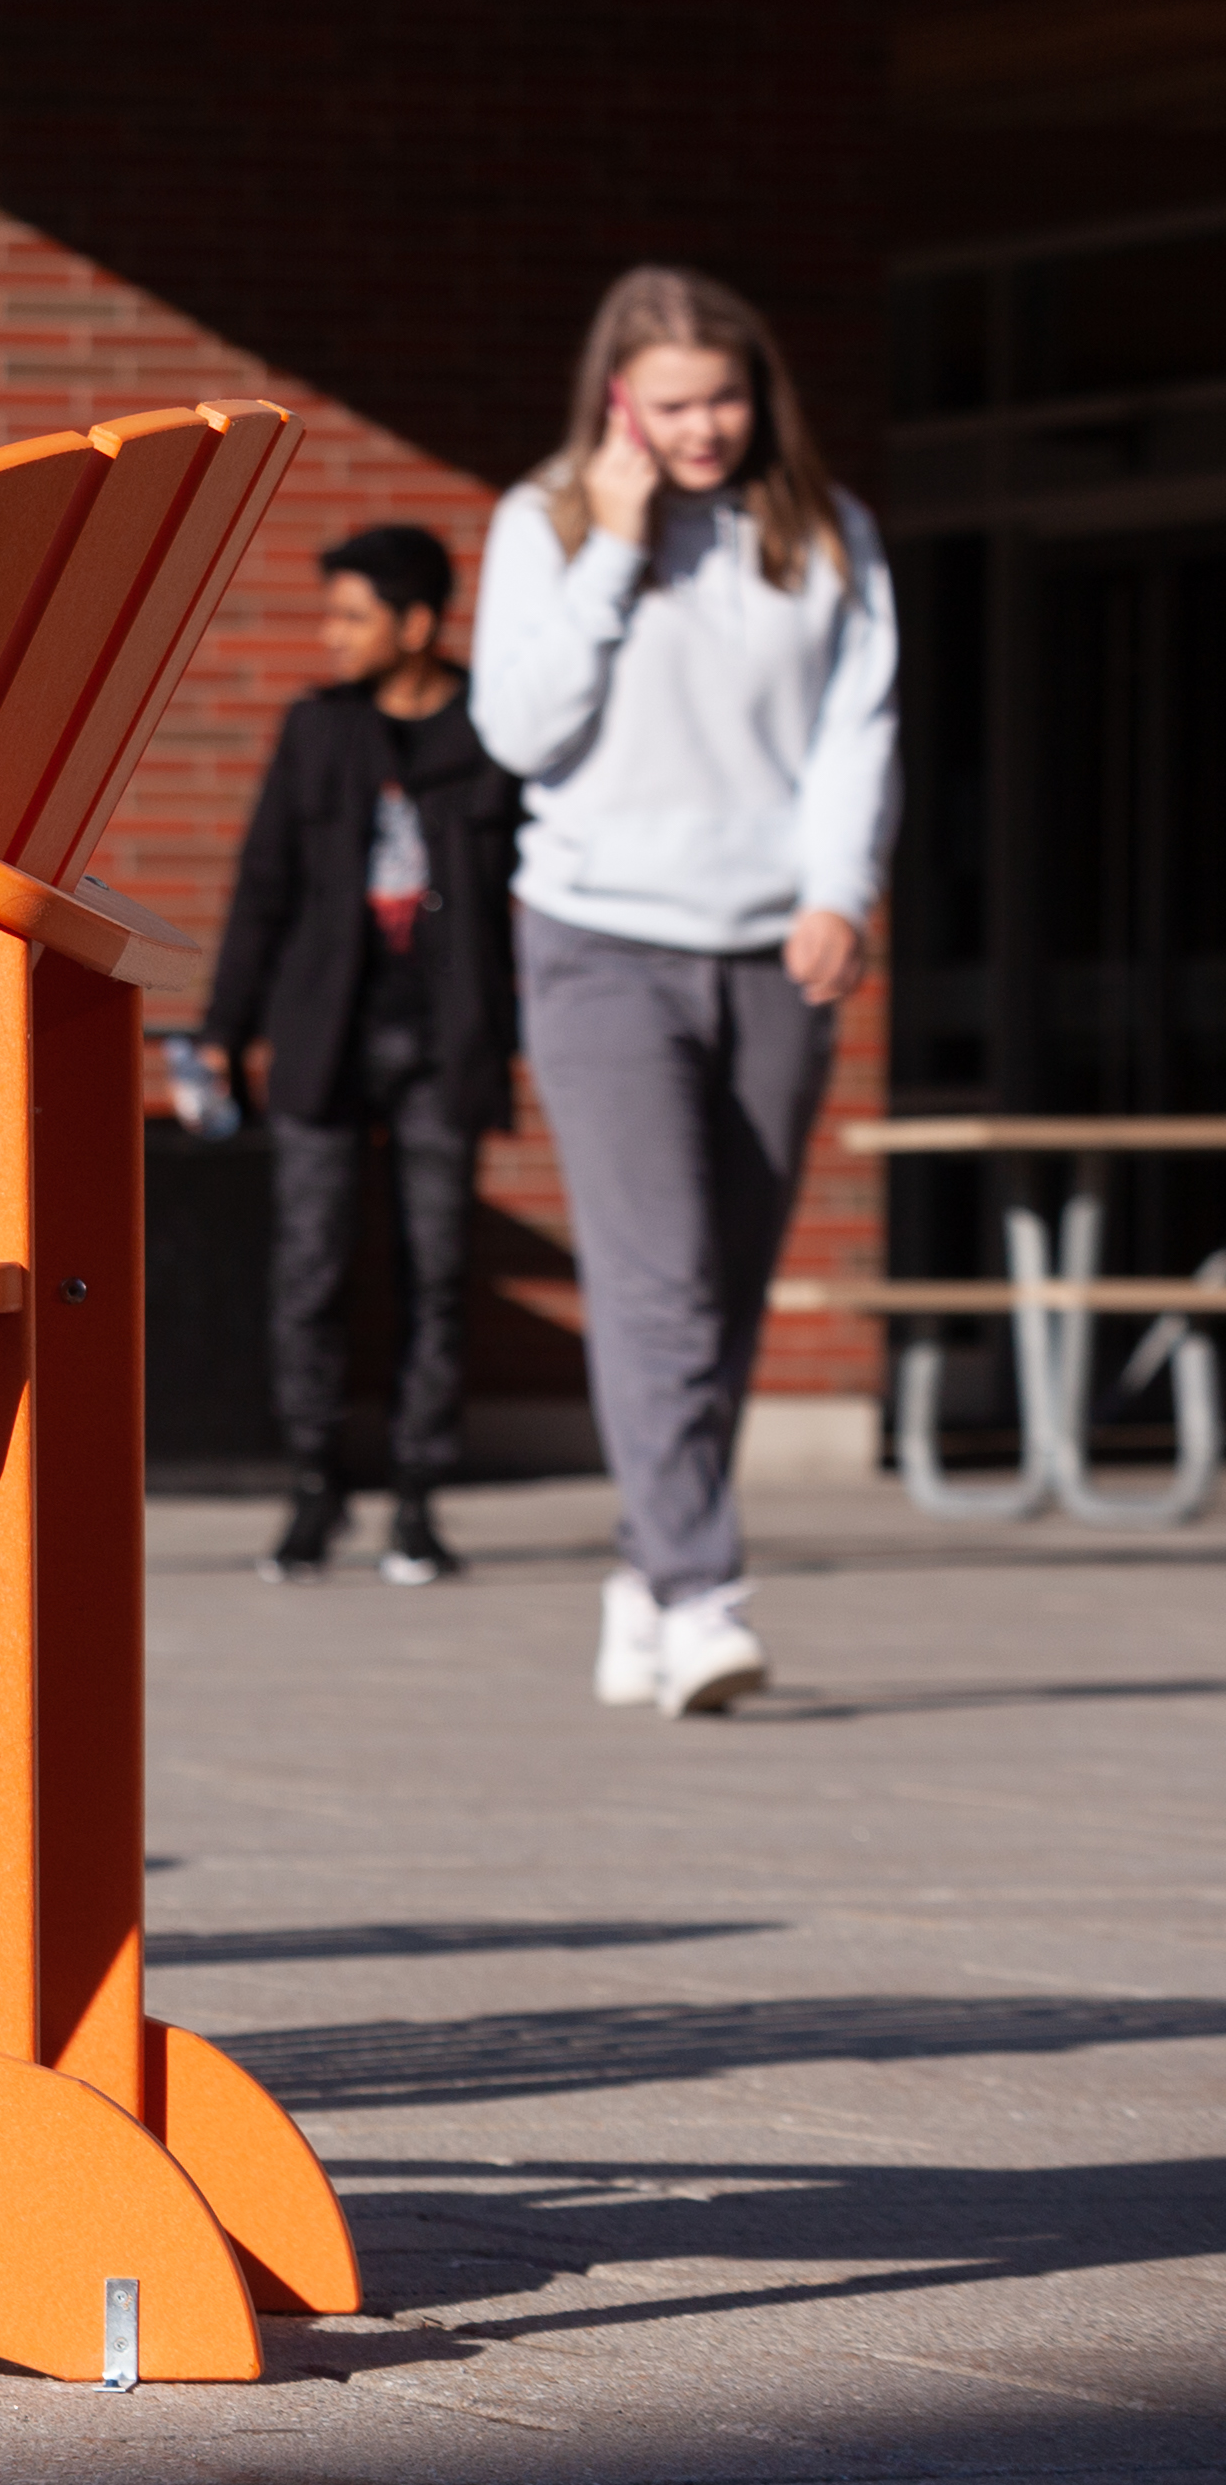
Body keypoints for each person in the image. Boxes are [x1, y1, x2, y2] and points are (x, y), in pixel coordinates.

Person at [474, 267, 895, 1721]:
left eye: (724, 398)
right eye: (673, 405)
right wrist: (617, 548)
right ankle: (705, 1589)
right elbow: (519, 730)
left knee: (726, 1286)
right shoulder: (546, 524)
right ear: (618, 406)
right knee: (655, 1282)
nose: (705, 427)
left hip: (779, 945)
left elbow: (860, 730)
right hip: (598, 941)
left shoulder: (826, 534)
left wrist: (841, 888)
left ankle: (649, 1572)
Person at [203, 523, 520, 1589]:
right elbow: (264, 888)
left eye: (352, 615)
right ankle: (314, 1490)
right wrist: (224, 1032)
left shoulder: (495, 732)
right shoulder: (317, 733)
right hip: (323, 1036)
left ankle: (421, 1503)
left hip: (447, 1042)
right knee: (311, 1267)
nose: (329, 635)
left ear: (418, 624)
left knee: (437, 1271)